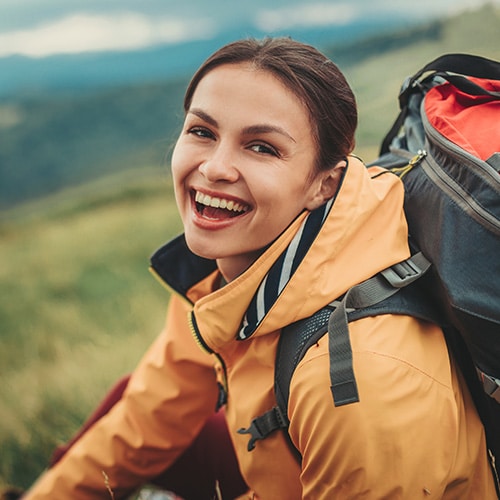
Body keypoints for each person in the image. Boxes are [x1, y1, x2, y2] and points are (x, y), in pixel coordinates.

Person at [24, 37, 497, 499]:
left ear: (324, 184)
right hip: (276, 468)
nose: (215, 168)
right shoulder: (223, 269)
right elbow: (151, 410)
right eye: (202, 132)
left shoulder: (359, 385)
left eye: (262, 148)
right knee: (129, 399)